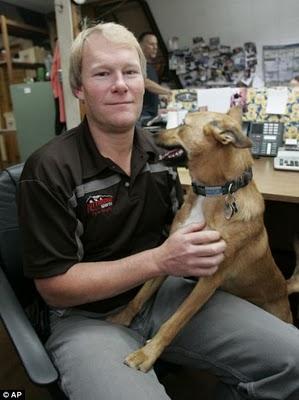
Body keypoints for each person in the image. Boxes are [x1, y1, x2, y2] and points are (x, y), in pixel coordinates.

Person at [17, 22, 299, 400]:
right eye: (103, 73)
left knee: (293, 360)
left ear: (142, 82)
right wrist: (161, 261)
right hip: (87, 317)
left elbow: (195, 217)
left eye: (130, 72)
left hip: (165, 295)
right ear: (79, 88)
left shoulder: (164, 155)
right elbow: (54, 289)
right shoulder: (49, 169)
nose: (120, 84)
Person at [139, 31, 172, 124]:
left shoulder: (150, 67)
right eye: (151, 44)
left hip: (151, 116)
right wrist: (168, 92)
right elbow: (145, 83)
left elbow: (150, 92)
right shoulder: (137, 63)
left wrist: (161, 97)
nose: (155, 47)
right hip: (142, 116)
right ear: (140, 45)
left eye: (156, 45)